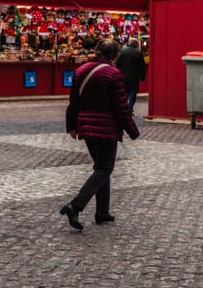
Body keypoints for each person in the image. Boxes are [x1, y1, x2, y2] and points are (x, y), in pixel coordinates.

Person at [61, 38, 139, 230]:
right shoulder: (113, 74)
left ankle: (102, 212)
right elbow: (121, 107)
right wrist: (132, 130)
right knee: (104, 168)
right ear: (114, 56)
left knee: (101, 168)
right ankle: (76, 205)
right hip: (106, 127)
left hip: (86, 126)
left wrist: (72, 126)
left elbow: (73, 102)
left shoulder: (80, 71)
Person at [115, 39, 147, 112]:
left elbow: (117, 64)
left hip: (123, 76)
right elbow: (142, 66)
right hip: (134, 77)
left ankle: (124, 107)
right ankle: (129, 108)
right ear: (136, 44)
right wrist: (142, 77)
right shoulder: (138, 52)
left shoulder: (122, 51)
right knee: (132, 93)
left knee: (124, 93)